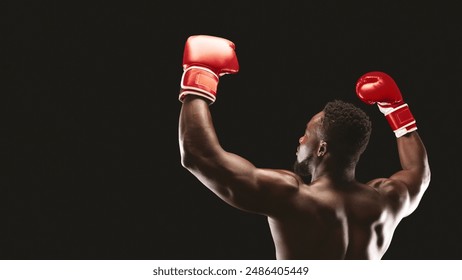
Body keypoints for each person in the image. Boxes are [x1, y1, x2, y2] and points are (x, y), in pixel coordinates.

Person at [177, 35, 431, 259]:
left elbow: (198, 155)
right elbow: (418, 174)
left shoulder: (293, 197)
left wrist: (201, 76)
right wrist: (395, 109)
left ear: (322, 149)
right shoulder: (387, 200)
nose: (300, 140)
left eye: (306, 135)